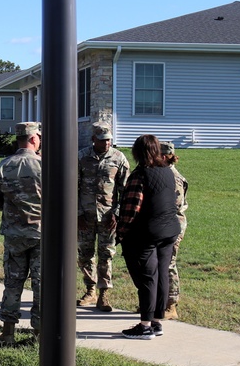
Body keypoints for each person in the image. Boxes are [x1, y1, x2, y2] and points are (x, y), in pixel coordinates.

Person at [116, 134, 181, 340]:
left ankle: (144, 326)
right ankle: (156, 322)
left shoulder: (140, 174)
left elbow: (131, 208)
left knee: (146, 278)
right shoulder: (167, 172)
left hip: (146, 234)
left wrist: (120, 233)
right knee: (161, 275)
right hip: (169, 231)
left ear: (137, 152)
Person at [0, 122, 43, 344]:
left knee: (13, 284)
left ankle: (8, 332)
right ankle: (39, 334)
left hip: (14, 235)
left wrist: (14, 211)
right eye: (38, 136)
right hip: (41, 235)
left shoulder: (4, 165)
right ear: (32, 139)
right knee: (41, 285)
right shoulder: (44, 166)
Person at [76, 122, 130, 312]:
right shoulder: (81, 157)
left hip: (108, 217)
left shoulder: (119, 158)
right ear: (93, 140)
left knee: (106, 255)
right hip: (85, 216)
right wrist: (78, 214)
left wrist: (117, 213)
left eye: (109, 140)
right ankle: (90, 290)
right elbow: (73, 187)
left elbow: (125, 190)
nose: (106, 144)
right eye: (102, 141)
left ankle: (104, 293)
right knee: (85, 255)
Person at [161, 141, 188, 320]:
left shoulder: (174, 178)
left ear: (163, 157)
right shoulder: (163, 174)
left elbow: (173, 206)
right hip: (164, 224)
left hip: (173, 225)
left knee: (169, 263)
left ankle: (171, 305)